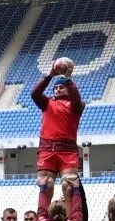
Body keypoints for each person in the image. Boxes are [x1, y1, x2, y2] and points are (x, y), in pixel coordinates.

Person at [32, 56, 83, 205]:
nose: (58, 89)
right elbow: (34, 94)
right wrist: (49, 75)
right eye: (56, 87)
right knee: (45, 184)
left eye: (61, 87)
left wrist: (67, 78)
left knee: (69, 186)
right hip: (47, 149)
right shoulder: (47, 103)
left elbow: (76, 99)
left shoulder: (77, 105)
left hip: (67, 150)